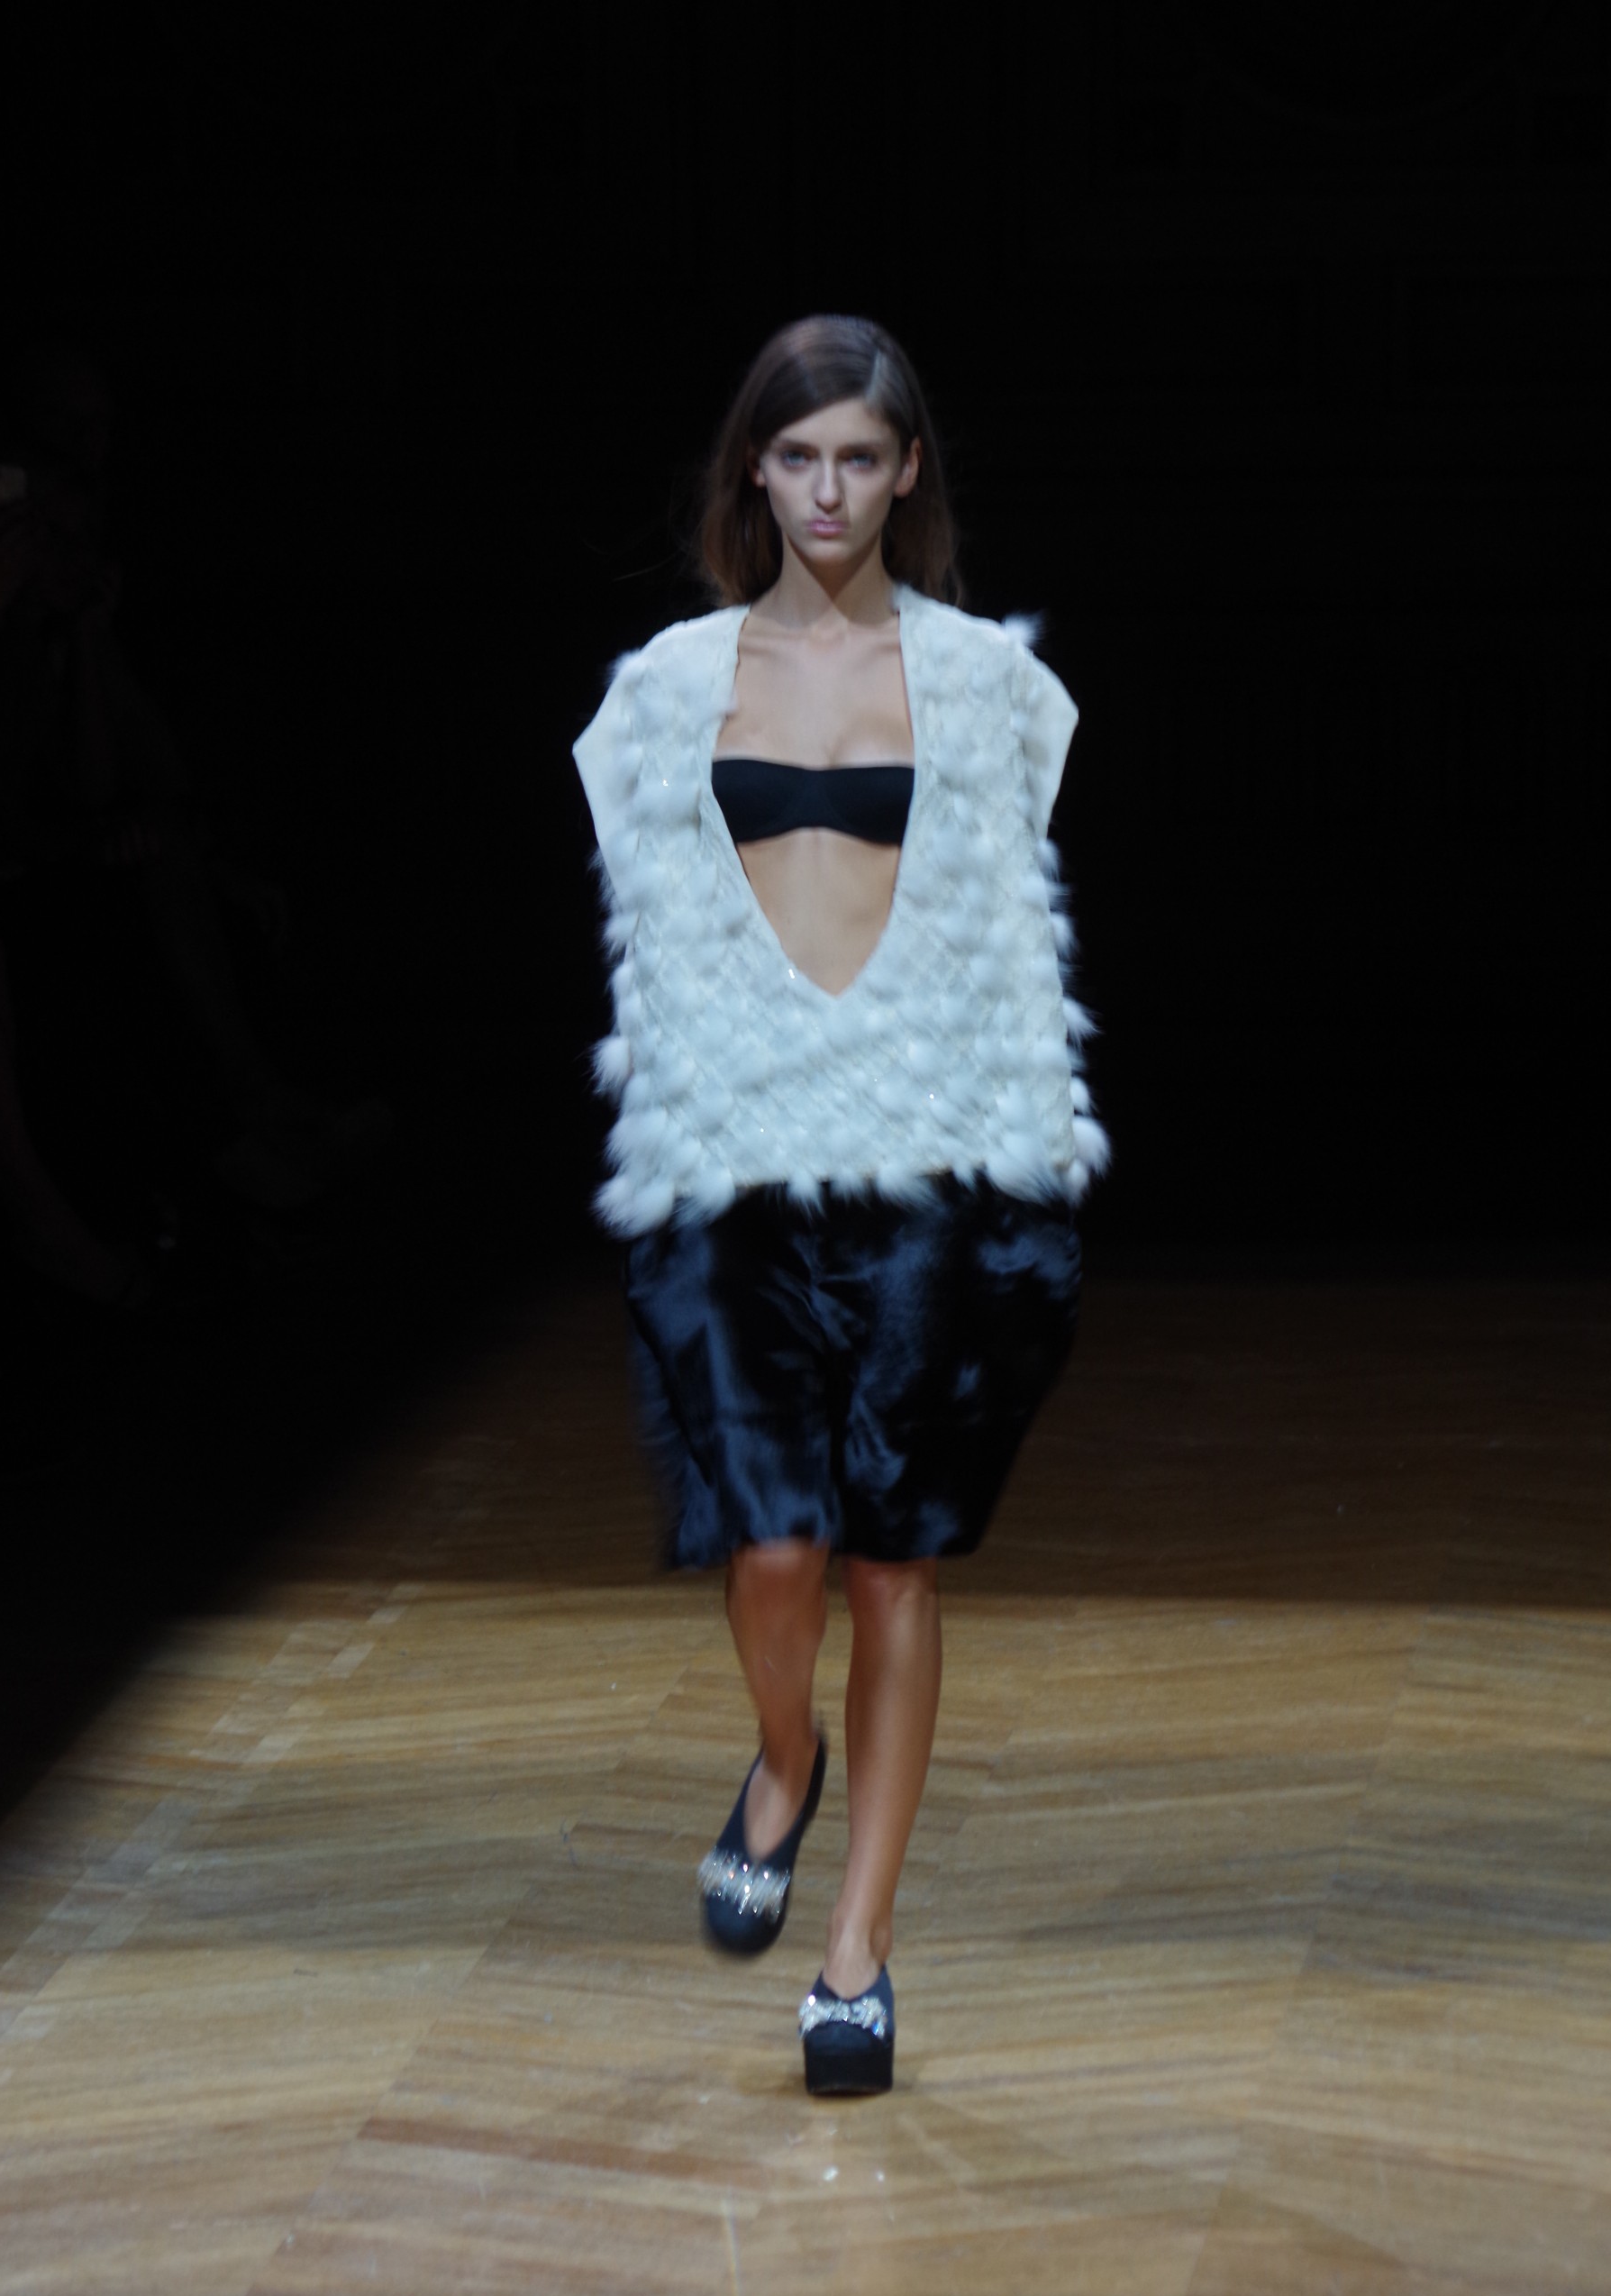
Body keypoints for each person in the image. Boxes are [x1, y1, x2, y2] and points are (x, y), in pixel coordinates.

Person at [572, 316, 1107, 2094]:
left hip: (927, 1158)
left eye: (859, 458)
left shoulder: (992, 688)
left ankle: (856, 1956)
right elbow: (653, 930)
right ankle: (782, 1756)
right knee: (775, 1547)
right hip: (733, 1157)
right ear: (754, 466)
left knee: (891, 1556)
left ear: (905, 472)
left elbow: (996, 924)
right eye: (796, 457)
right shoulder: (663, 690)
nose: (826, 491)